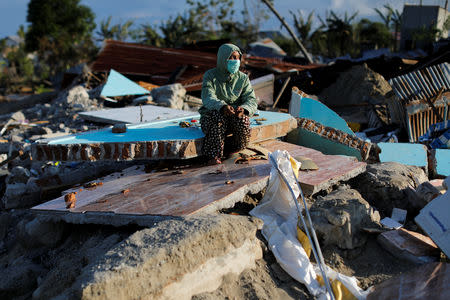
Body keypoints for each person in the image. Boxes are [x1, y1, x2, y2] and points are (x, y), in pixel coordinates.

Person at [199, 43, 257, 165]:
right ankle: (213, 156)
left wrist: (244, 109)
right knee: (218, 117)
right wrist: (222, 107)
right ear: (222, 59)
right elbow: (208, 97)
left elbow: (251, 99)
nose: (235, 61)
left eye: (237, 58)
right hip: (212, 117)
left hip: (233, 118)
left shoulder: (243, 78)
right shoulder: (210, 76)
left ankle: (232, 150)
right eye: (231, 58)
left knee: (244, 120)